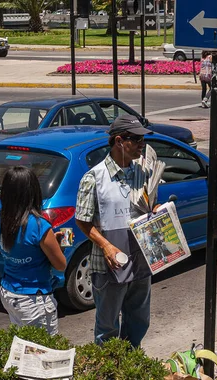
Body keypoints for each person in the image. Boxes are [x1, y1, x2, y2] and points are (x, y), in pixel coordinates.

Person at [75, 114, 158, 348]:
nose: (142, 145)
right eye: (137, 139)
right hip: (109, 265)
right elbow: (83, 220)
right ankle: (110, 370)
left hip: (141, 261)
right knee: (107, 327)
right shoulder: (94, 177)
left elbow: (148, 208)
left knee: (139, 321)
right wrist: (106, 246)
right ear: (119, 141)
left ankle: (130, 365)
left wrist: (158, 211)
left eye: (143, 139)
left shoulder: (144, 173)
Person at [0, 166, 67, 335]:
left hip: (9, 292)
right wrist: (58, 246)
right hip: (34, 299)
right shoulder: (39, 226)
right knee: (44, 352)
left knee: (23, 347)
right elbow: (60, 265)